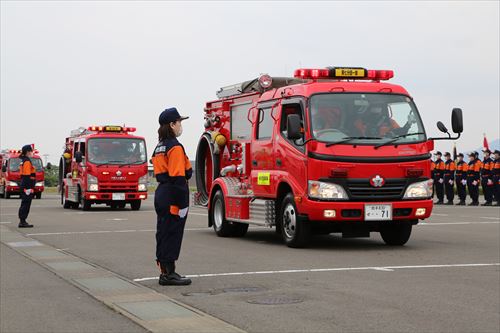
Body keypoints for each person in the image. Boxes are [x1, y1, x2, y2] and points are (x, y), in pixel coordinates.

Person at [152, 107, 192, 286]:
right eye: (179, 122)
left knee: (163, 232)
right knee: (172, 233)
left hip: (162, 192)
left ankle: (165, 271)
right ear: (172, 124)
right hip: (173, 194)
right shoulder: (174, 147)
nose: (180, 126)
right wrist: (183, 203)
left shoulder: (159, 146)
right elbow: (178, 175)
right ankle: (169, 274)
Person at [18, 144, 35, 228]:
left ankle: (22, 220)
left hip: (24, 183)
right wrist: (28, 188)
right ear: (28, 152)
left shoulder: (23, 160)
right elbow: (27, 175)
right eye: (31, 151)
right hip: (27, 185)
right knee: (26, 204)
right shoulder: (27, 161)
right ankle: (22, 221)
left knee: (24, 203)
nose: (32, 152)